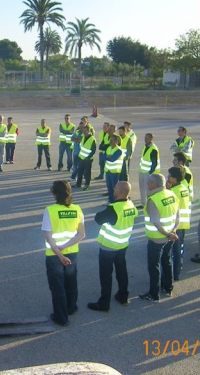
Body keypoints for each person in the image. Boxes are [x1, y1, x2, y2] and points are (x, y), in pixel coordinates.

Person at [88, 181, 138, 311]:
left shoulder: (114, 208)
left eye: (115, 188)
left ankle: (104, 303)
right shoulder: (130, 205)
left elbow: (98, 219)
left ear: (120, 191)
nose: (113, 189)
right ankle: (123, 296)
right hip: (123, 243)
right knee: (121, 270)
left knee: (106, 274)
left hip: (109, 246)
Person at [42, 181, 86, 326]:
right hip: (72, 252)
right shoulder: (77, 209)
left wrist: (59, 253)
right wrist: (66, 247)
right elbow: (81, 235)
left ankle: (61, 317)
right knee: (71, 281)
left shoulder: (50, 210)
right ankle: (71, 307)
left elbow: (48, 235)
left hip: (54, 254)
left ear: (55, 193)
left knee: (57, 286)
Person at [139, 174, 180, 302]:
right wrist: (173, 231)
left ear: (154, 184)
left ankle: (153, 294)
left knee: (154, 266)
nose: (147, 185)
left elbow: (156, 222)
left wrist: (167, 234)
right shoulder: (171, 194)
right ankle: (168, 288)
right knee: (167, 261)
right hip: (170, 236)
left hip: (157, 238)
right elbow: (178, 216)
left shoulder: (153, 200)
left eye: (148, 183)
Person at [166, 166, 190, 281]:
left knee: (172, 251)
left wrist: (166, 190)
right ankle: (177, 272)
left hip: (175, 225)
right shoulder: (184, 187)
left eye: (169, 176)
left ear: (174, 178)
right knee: (179, 249)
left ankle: (173, 274)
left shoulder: (173, 191)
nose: (167, 177)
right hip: (184, 223)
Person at [138, 133, 161, 207]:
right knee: (142, 188)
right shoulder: (145, 147)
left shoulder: (153, 149)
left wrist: (150, 172)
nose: (145, 139)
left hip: (148, 172)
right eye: (145, 138)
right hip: (142, 170)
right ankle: (143, 203)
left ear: (151, 139)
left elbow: (154, 163)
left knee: (148, 190)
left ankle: (149, 205)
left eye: (147, 138)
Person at [75, 124, 97, 191]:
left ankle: (86, 185)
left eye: (85, 131)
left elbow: (93, 150)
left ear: (89, 131)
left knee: (87, 173)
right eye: (83, 130)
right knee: (80, 172)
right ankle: (78, 184)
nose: (84, 132)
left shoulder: (92, 139)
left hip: (88, 159)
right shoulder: (83, 136)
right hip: (81, 158)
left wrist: (88, 157)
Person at [104, 134, 124, 203]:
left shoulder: (119, 150)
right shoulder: (108, 148)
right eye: (110, 140)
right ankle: (110, 200)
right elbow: (102, 157)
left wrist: (107, 157)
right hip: (108, 171)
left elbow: (113, 159)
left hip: (115, 172)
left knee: (114, 188)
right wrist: (108, 157)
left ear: (116, 141)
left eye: (112, 140)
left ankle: (115, 200)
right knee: (109, 187)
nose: (110, 141)